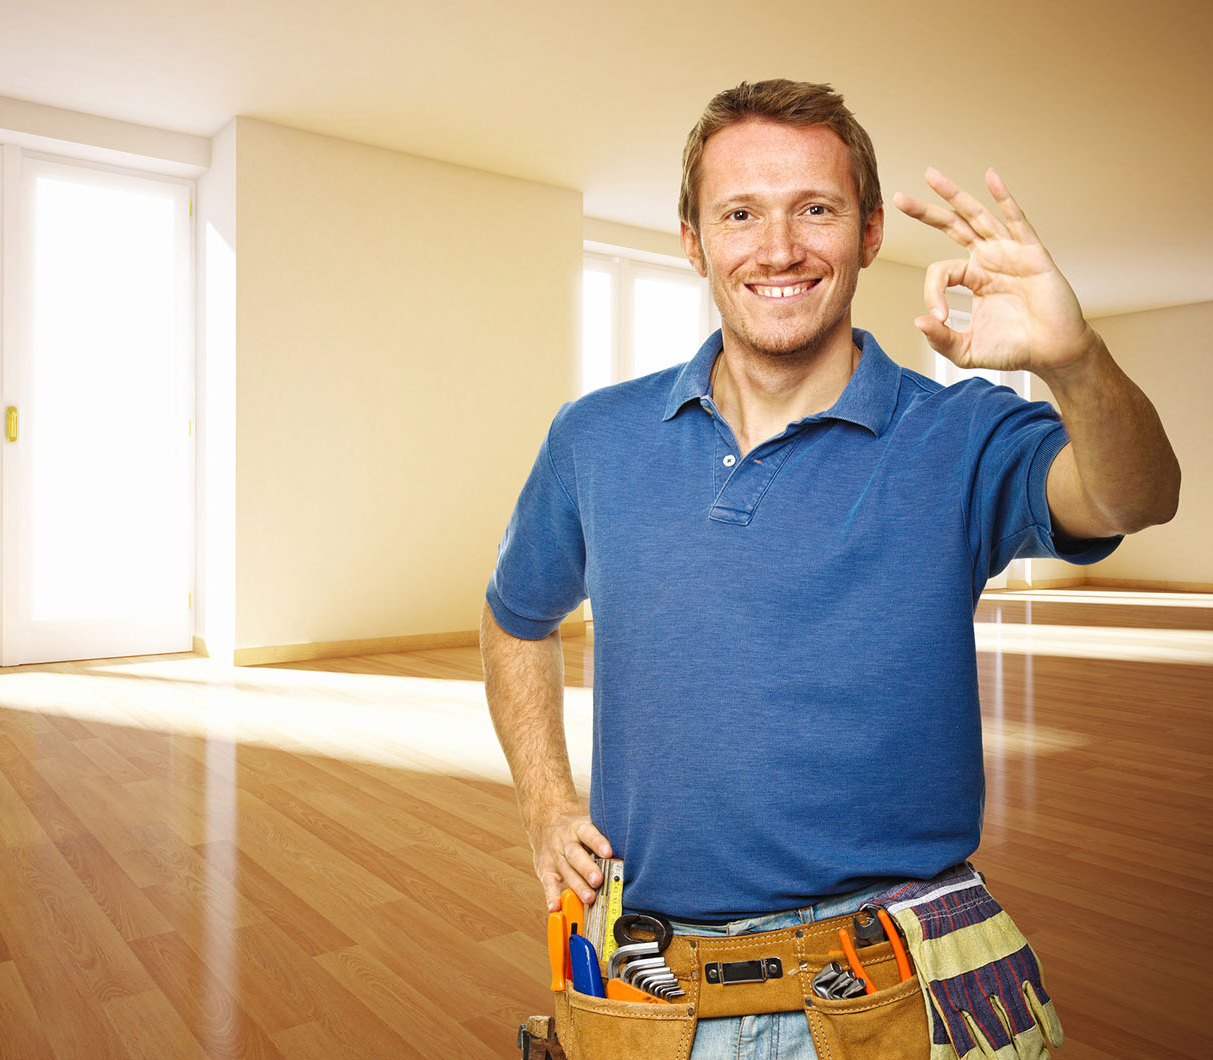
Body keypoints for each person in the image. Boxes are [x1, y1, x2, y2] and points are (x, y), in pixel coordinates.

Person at [482, 79, 1179, 1058]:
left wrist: (1075, 363)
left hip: (898, 980)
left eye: (815, 208)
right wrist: (547, 801)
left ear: (871, 230)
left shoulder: (961, 434)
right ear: (693, 241)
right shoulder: (594, 438)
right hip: (652, 984)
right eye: (740, 214)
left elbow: (1133, 495)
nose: (778, 249)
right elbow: (515, 615)